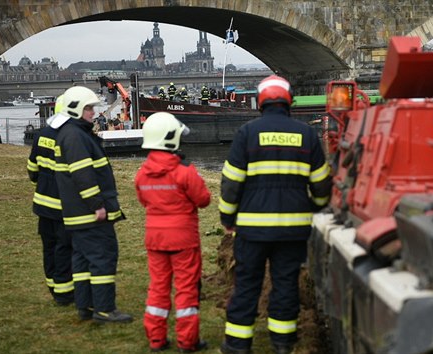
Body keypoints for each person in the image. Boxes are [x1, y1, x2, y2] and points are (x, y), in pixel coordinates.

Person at [219, 75, 332, 354]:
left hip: (252, 229)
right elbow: (321, 183)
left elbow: (231, 182)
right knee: (285, 282)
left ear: (260, 101)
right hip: (293, 229)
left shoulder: (247, 133)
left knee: (247, 283)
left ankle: (237, 344)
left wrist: (227, 218)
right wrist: (316, 206)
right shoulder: (306, 134)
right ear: (289, 101)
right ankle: (283, 343)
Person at [52, 86, 132, 324]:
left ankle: (85, 305)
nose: (92, 112)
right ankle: (105, 309)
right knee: (102, 258)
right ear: (76, 110)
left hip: (78, 214)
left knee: (83, 261)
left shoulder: (71, 133)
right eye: (88, 108)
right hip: (90, 213)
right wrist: (97, 205)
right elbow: (83, 174)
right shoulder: (76, 136)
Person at [135, 112, 211, 353]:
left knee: (158, 287)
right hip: (183, 240)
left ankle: (156, 339)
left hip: (155, 239)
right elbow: (204, 200)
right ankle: (187, 341)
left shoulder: (142, 173)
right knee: (186, 289)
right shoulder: (185, 172)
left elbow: (144, 200)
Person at [26, 95, 74, 306]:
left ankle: (53, 286)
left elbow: (32, 170)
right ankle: (64, 293)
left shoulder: (41, 134)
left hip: (42, 203)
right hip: (63, 205)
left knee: (49, 247)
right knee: (64, 247)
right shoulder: (71, 137)